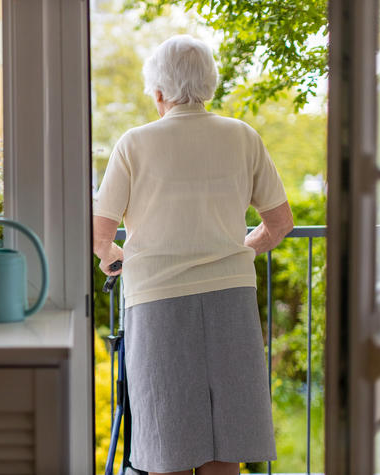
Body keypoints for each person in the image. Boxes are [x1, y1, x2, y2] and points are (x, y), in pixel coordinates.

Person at [93, 35, 293, 475]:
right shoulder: (242, 136)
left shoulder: (134, 143)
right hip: (231, 299)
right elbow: (280, 224)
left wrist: (113, 257)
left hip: (158, 302)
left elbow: (98, 233)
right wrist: (242, 250)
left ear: (159, 92)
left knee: (170, 445)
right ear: (209, 84)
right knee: (227, 446)